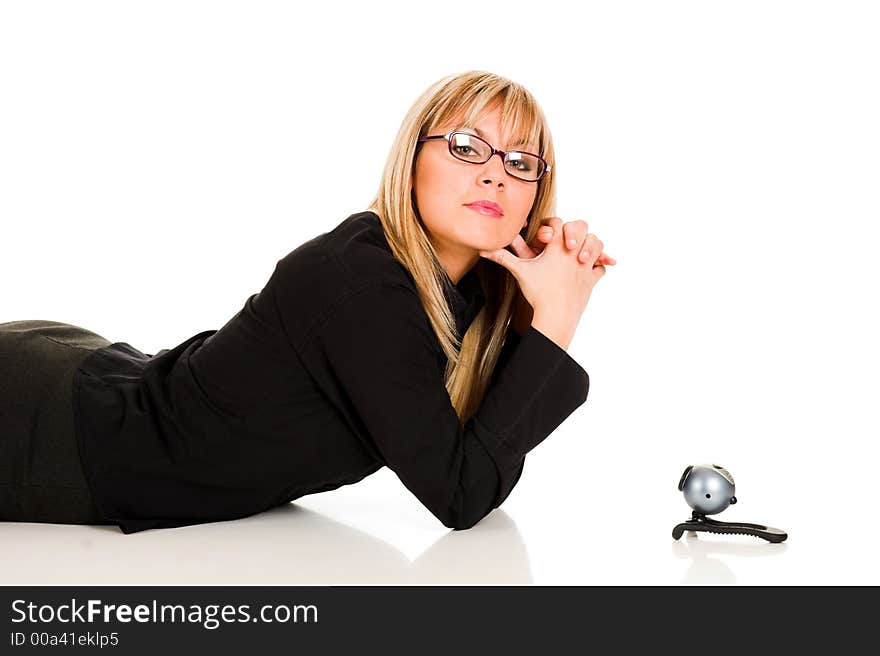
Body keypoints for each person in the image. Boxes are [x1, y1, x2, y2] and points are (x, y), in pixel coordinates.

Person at [0, 70, 615, 534]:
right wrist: (558, 318)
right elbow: (462, 491)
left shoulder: (466, 295)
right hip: (47, 427)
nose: (495, 175)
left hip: (99, 371)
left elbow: (483, 454)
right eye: (464, 145)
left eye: (520, 161)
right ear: (410, 163)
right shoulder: (363, 283)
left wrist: (539, 300)